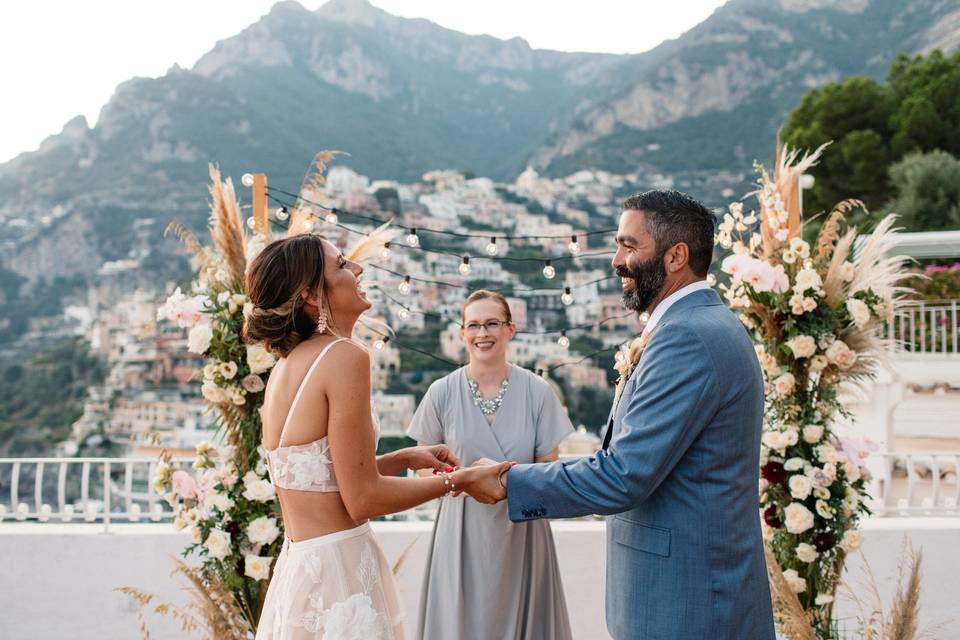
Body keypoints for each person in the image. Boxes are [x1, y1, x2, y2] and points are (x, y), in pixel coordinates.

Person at [457, 191, 777, 640]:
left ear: (675, 256)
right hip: (684, 595)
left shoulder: (687, 337)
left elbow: (623, 474)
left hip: (689, 606)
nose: (616, 261)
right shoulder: (697, 325)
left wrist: (509, 481)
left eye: (629, 245)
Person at [243, 234, 508, 640]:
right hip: (340, 579)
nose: (358, 269)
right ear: (312, 295)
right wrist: (462, 480)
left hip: (299, 573)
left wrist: (400, 458)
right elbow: (363, 499)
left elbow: (315, 481)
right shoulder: (345, 356)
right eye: (342, 265)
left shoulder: (285, 368)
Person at [407, 290, 574, 640]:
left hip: (522, 533)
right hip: (461, 533)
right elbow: (421, 468)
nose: (483, 333)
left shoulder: (538, 391)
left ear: (510, 329)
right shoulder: (441, 392)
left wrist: (508, 479)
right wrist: (463, 478)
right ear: (463, 333)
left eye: (492, 323)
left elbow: (549, 469)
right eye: (474, 325)